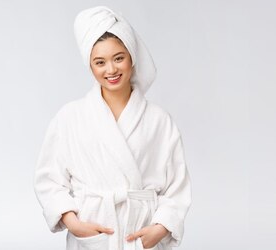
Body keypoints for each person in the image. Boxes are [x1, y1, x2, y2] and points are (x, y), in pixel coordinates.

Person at [34, 6, 191, 250]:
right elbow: (49, 181)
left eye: (119, 58)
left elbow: (177, 187)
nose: (111, 70)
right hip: (93, 237)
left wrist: (159, 229)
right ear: (90, 66)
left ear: (131, 58)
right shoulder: (70, 117)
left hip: (141, 237)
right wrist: (74, 224)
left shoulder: (159, 120)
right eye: (100, 62)